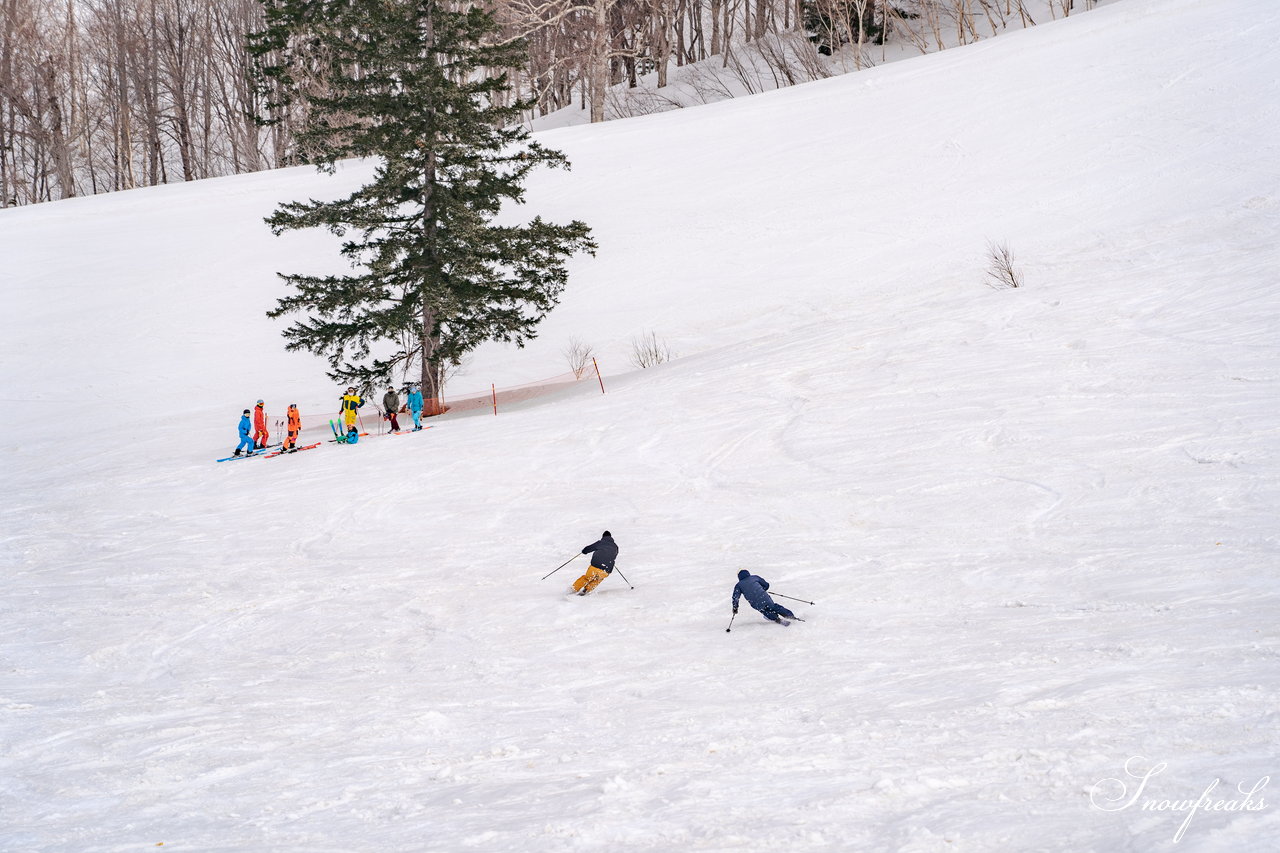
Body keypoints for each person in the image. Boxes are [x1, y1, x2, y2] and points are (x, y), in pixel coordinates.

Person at [732, 570, 797, 626]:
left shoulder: (738, 585)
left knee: (765, 611)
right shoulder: (754, 577)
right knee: (773, 607)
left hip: (755, 603)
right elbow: (766, 585)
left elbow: (735, 597)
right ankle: (790, 616)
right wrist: (762, 589)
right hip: (764, 597)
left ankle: (776, 619)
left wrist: (735, 607)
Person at [572, 531, 618, 596]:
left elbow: (590, 548)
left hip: (596, 566)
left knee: (587, 578)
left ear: (603, 537)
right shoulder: (615, 546)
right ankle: (586, 590)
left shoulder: (601, 542)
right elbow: (614, 555)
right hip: (607, 569)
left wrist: (584, 551)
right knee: (597, 580)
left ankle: (573, 589)